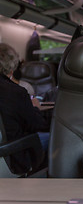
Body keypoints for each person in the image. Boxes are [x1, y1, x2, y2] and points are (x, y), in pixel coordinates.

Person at [0, 43, 50, 172]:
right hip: (10, 156)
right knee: (54, 136)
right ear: (11, 67)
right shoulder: (15, 92)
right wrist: (36, 108)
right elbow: (38, 124)